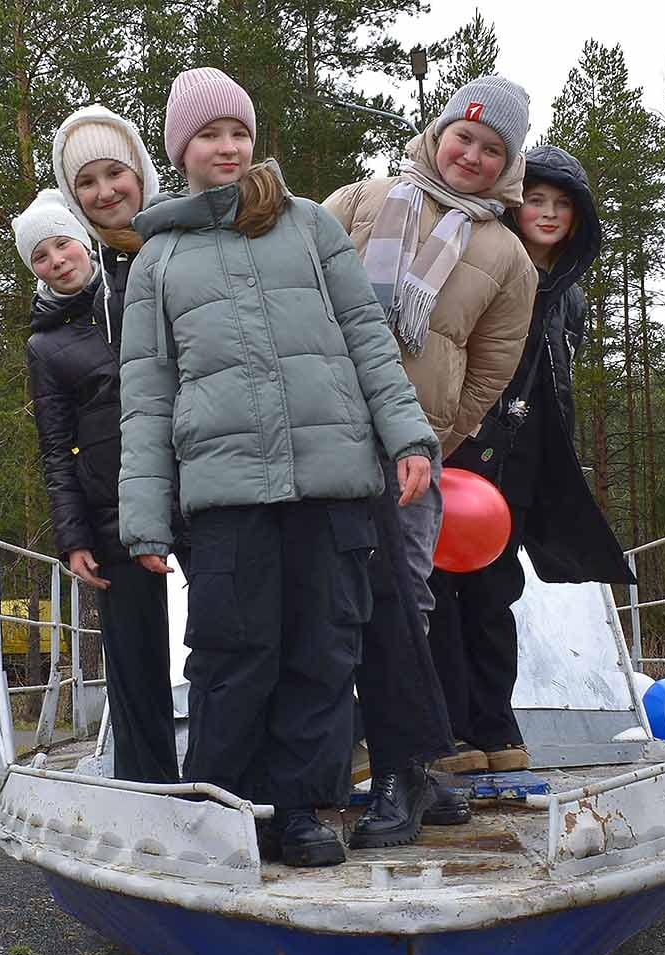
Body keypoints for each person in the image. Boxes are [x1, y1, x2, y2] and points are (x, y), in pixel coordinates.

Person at [118, 68, 438, 868]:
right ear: (179, 150)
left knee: (323, 653)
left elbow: (367, 333)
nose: (227, 147)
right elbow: (148, 397)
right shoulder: (157, 260)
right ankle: (223, 811)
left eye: (238, 131)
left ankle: (298, 810)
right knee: (233, 653)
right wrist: (146, 517)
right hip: (226, 492)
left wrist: (408, 435)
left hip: (331, 482)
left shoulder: (307, 226)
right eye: (207, 134)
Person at [325, 75, 540, 781]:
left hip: (414, 450)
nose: (471, 156)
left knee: (406, 593)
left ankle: (403, 751)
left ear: (507, 164)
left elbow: (492, 367)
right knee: (327, 588)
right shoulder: (361, 199)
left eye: (491, 149)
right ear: (439, 132)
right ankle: (332, 745)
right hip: (325, 430)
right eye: (463, 137)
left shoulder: (507, 255)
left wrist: (436, 436)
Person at [432, 145, 635, 769]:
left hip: (523, 462)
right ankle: (447, 733)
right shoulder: (482, 264)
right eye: (536, 200)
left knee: (496, 594)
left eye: (562, 205)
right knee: (438, 592)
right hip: (462, 450)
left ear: (578, 219)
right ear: (516, 207)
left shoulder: (570, 297)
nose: (548, 214)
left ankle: (494, 728)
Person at [16, 180, 178, 786]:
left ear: (84, 240)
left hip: (187, 485)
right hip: (109, 507)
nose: (57, 261)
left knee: (222, 636)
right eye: (41, 256)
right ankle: (149, 784)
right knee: (134, 658)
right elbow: (55, 448)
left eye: (63, 244)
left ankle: (227, 774)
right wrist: (73, 535)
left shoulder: (143, 286)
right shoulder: (46, 344)